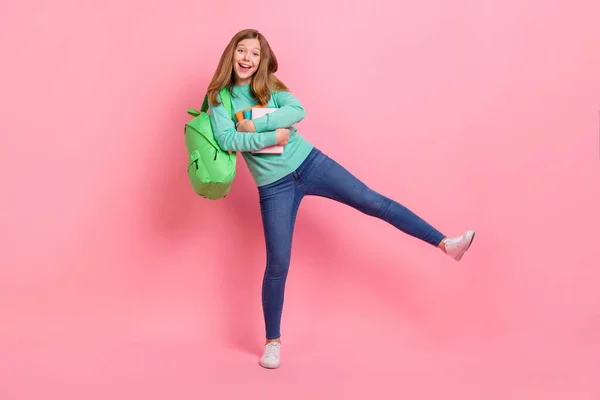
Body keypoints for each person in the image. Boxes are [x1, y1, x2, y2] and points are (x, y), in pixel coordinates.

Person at [206, 28, 475, 369]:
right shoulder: (220, 98)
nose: (247, 58)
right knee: (278, 263)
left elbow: (297, 111)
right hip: (273, 186)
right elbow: (228, 140)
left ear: (262, 60)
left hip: (311, 162)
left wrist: (255, 126)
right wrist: (273, 134)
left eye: (254, 53)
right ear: (231, 54)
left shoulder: (269, 88)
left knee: (373, 202)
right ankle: (272, 342)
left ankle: (445, 243)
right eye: (241, 51)